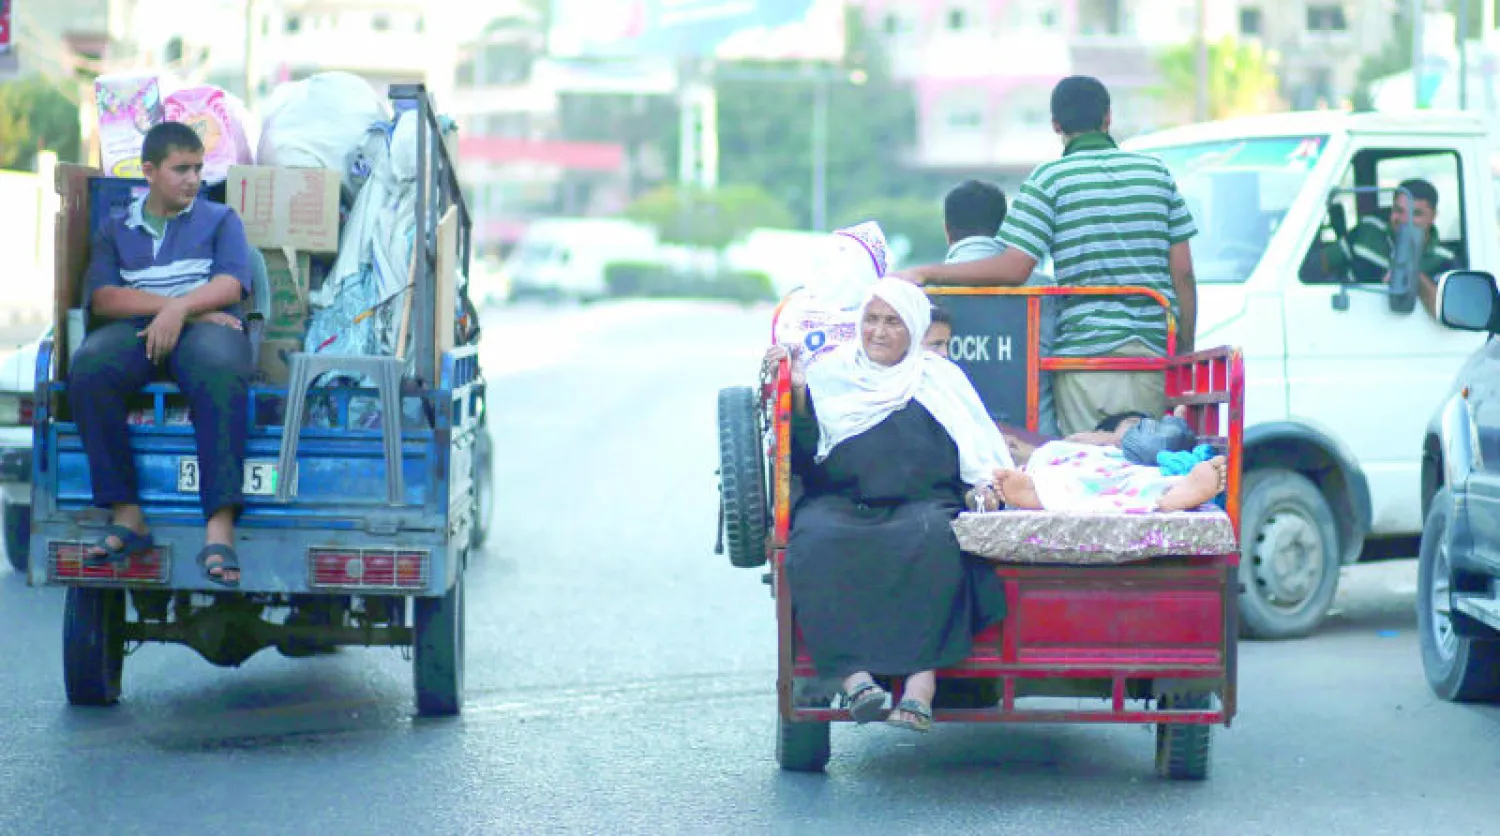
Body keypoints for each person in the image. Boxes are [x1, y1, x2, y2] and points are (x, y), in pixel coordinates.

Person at [895, 76, 1199, 437]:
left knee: (1087, 470)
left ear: (1056, 125)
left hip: (1084, 359)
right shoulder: (1156, 173)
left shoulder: (1050, 179)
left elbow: (1013, 269)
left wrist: (928, 273)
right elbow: (1183, 273)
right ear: (1108, 118)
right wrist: (1183, 348)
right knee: (1143, 472)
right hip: (1151, 352)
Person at [783, 278, 1012, 733]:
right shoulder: (830, 375)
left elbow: (977, 448)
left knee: (936, 540)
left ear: (913, 327)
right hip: (841, 502)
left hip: (923, 503)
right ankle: (856, 681)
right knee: (813, 541)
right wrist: (798, 393)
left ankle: (919, 689)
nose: (878, 332)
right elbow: (807, 451)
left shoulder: (939, 377)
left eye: (892, 322)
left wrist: (984, 488)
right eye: (871, 319)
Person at [70, 121, 256, 588]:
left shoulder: (220, 220)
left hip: (207, 330)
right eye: (181, 170)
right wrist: (175, 311)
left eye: (198, 168)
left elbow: (231, 283)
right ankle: (127, 512)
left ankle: (220, 527)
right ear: (149, 171)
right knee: (89, 367)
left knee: (220, 368)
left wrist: (183, 312)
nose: (193, 179)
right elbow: (105, 299)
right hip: (143, 328)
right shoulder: (117, 227)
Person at [1326, 178, 1459, 318]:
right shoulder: (1368, 230)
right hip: (1346, 319)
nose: (1405, 220)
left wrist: (1412, 276)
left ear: (1433, 216)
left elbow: (1449, 314)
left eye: (1417, 213)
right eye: (1399, 210)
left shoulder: (1445, 259)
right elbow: (1320, 264)